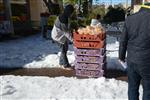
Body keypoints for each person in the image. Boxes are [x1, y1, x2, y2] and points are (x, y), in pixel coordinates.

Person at [119, 1, 150, 100]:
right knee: (148, 90)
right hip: (147, 61)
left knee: (132, 88)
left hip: (132, 60)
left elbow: (123, 40)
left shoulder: (130, 19)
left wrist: (121, 57)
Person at [51, 4, 74, 69]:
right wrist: (73, 40)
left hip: (61, 36)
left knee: (65, 48)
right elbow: (66, 32)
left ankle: (61, 62)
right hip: (57, 37)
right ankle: (66, 65)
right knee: (63, 50)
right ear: (69, 12)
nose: (71, 14)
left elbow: (67, 28)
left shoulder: (64, 16)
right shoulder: (63, 19)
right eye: (71, 12)